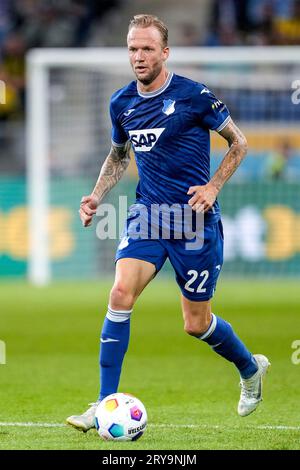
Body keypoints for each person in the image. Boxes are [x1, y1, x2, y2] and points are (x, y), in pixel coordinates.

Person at [66, 14, 270, 432]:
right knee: (120, 293)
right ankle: (104, 403)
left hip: (194, 223)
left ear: (165, 52)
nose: (138, 57)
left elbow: (240, 143)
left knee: (196, 323)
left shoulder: (194, 96)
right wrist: (96, 196)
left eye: (146, 49)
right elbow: (120, 155)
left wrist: (213, 186)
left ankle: (250, 368)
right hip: (147, 216)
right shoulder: (121, 103)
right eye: (131, 49)